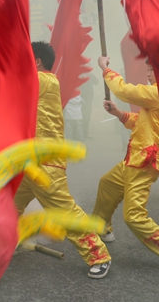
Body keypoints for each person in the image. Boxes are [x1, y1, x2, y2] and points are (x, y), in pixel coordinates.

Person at [89, 55, 159, 276]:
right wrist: (118, 113)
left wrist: (105, 68)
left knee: (134, 216)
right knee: (107, 184)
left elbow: (125, 91)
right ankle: (101, 229)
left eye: (151, 71)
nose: (148, 74)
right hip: (135, 157)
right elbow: (141, 121)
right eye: (148, 70)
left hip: (145, 161)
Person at [13, 42, 107, 278]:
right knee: (9, 204)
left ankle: (99, 255)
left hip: (45, 164)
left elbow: (12, 85)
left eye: (25, 59)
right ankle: (9, 241)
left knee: (65, 211)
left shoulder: (45, 80)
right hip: (26, 160)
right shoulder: (38, 82)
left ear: (36, 62)